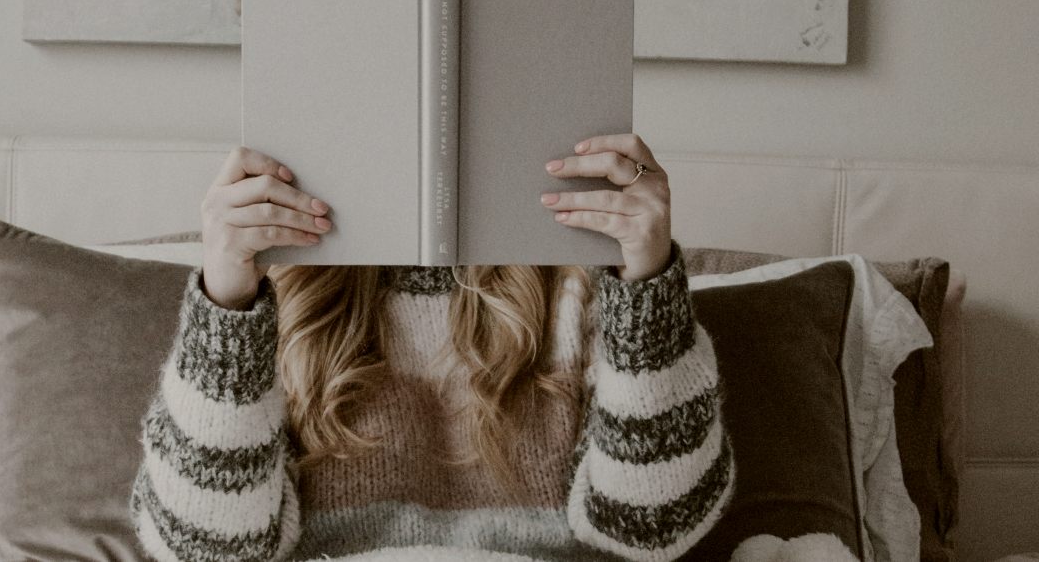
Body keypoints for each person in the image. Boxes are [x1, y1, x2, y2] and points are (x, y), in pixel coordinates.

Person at [127, 129, 736, 562]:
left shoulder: (585, 286)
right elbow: (204, 547)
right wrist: (227, 303)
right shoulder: (276, 294)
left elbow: (657, 525)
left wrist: (649, 287)